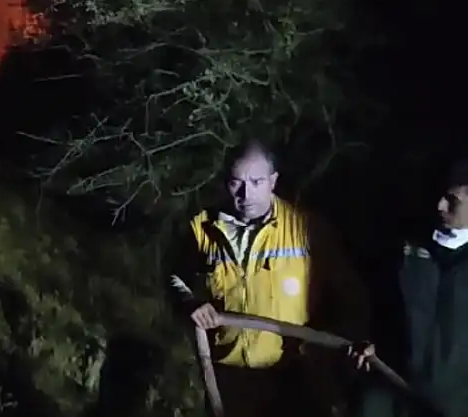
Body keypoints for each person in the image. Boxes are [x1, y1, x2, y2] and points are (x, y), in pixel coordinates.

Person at [169, 139, 368, 417]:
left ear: (273, 181)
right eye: (236, 182)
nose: (246, 193)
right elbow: (175, 276)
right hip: (229, 374)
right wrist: (190, 301)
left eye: (256, 181)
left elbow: (349, 292)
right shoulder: (203, 229)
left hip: (293, 376)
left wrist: (352, 341)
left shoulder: (307, 229)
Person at [351, 160, 468, 417]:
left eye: (452, 200)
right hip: (390, 395)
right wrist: (369, 342)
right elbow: (374, 305)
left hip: (451, 406)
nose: (440, 206)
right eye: (440, 196)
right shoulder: (405, 249)